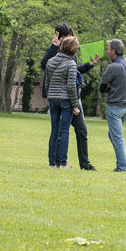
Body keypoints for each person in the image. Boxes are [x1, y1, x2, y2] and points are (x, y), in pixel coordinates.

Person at [40, 23, 97, 171]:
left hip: (66, 97)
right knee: (61, 132)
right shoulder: (55, 51)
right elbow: (44, 66)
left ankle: (82, 163)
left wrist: (89, 65)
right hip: (68, 99)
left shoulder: (71, 54)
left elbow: (74, 72)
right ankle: (59, 163)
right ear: (58, 36)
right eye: (67, 37)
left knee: (80, 130)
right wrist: (54, 47)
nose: (69, 39)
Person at [97, 39, 126, 172]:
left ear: (113, 51)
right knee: (112, 135)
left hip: (114, 108)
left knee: (117, 138)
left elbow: (101, 88)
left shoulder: (112, 67)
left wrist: (110, 88)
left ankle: (122, 167)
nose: (107, 51)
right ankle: (122, 161)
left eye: (108, 49)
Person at [44, 35, 81, 169]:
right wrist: (75, 105)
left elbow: (47, 82)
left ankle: (52, 163)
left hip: (53, 99)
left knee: (54, 131)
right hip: (65, 100)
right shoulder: (71, 64)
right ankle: (63, 163)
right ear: (73, 50)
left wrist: (50, 95)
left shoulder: (50, 62)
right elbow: (71, 86)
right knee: (64, 131)